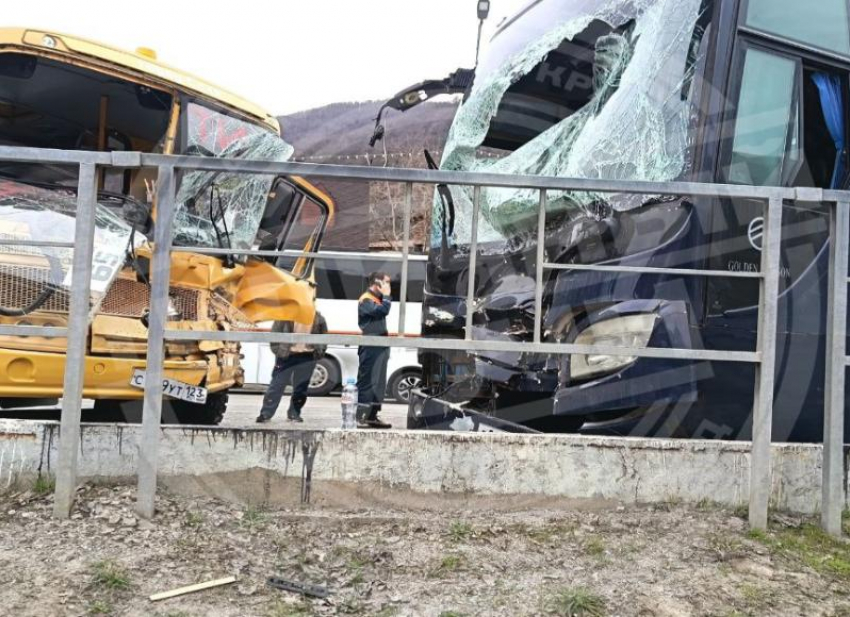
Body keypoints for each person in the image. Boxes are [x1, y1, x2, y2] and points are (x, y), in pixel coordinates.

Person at [256, 311, 328, 424]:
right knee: (276, 385)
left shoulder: (318, 318)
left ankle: (294, 414)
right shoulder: (284, 315)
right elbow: (274, 335)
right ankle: (265, 414)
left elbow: (324, 337)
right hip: (286, 356)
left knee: (301, 389)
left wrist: (320, 351)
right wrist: (279, 352)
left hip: (307, 357)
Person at [356, 272, 393, 429]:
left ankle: (373, 416)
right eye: (386, 283)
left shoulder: (377, 299)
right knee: (368, 382)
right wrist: (387, 296)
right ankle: (361, 416)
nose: (388, 286)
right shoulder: (366, 299)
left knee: (379, 384)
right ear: (377, 283)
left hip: (380, 346)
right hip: (371, 347)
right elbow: (382, 311)